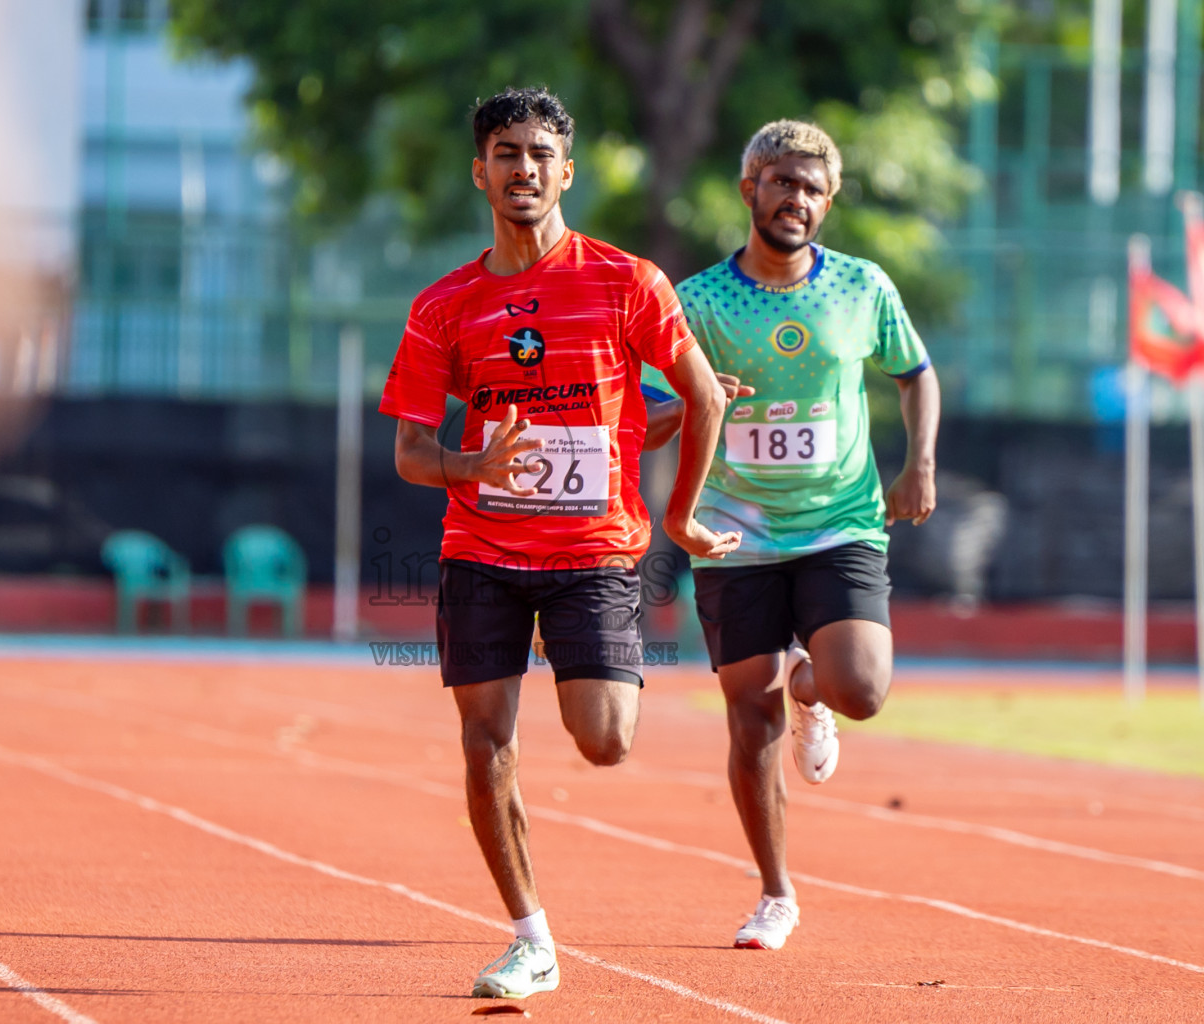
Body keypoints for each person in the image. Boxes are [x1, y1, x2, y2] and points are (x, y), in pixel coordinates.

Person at [379, 87, 738, 999]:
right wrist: (471, 464)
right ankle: (529, 938)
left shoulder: (627, 282)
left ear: (565, 171)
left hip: (595, 555)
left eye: (540, 154)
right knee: (484, 741)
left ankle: (567, 646)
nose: (523, 169)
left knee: (605, 740)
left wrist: (684, 515)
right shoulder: (444, 307)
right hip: (484, 551)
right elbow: (412, 452)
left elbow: (702, 395)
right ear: (481, 172)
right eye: (506, 153)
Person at [641, 119, 939, 951]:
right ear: (750, 190)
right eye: (782, 183)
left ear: (828, 201)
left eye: (811, 188)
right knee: (748, 718)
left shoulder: (862, 287)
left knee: (862, 691)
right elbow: (640, 414)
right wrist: (695, 404)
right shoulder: (695, 301)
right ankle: (775, 895)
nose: (796, 200)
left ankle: (812, 687)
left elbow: (916, 376)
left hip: (841, 521)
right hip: (733, 530)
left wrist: (919, 464)